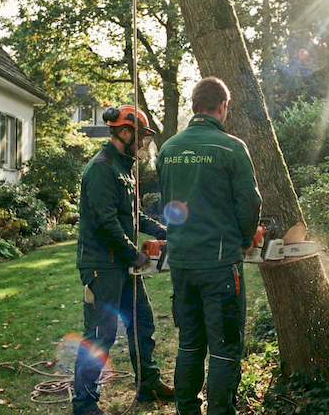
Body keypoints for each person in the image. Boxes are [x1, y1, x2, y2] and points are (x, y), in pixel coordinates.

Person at [156, 77, 262, 415]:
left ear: (193, 106)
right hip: (219, 265)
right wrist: (245, 240)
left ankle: (186, 410)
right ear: (222, 106)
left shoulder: (168, 149)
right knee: (224, 348)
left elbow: (167, 202)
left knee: (189, 344)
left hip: (182, 263)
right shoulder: (231, 148)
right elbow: (250, 203)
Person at [73, 104, 174, 415]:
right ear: (126, 133)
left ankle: (148, 385)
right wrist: (135, 255)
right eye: (140, 137)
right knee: (101, 334)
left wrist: (166, 231)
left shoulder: (124, 168)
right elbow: (106, 223)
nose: (142, 143)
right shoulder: (102, 168)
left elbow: (133, 216)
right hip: (103, 266)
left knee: (142, 323)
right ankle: (84, 404)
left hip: (123, 265)